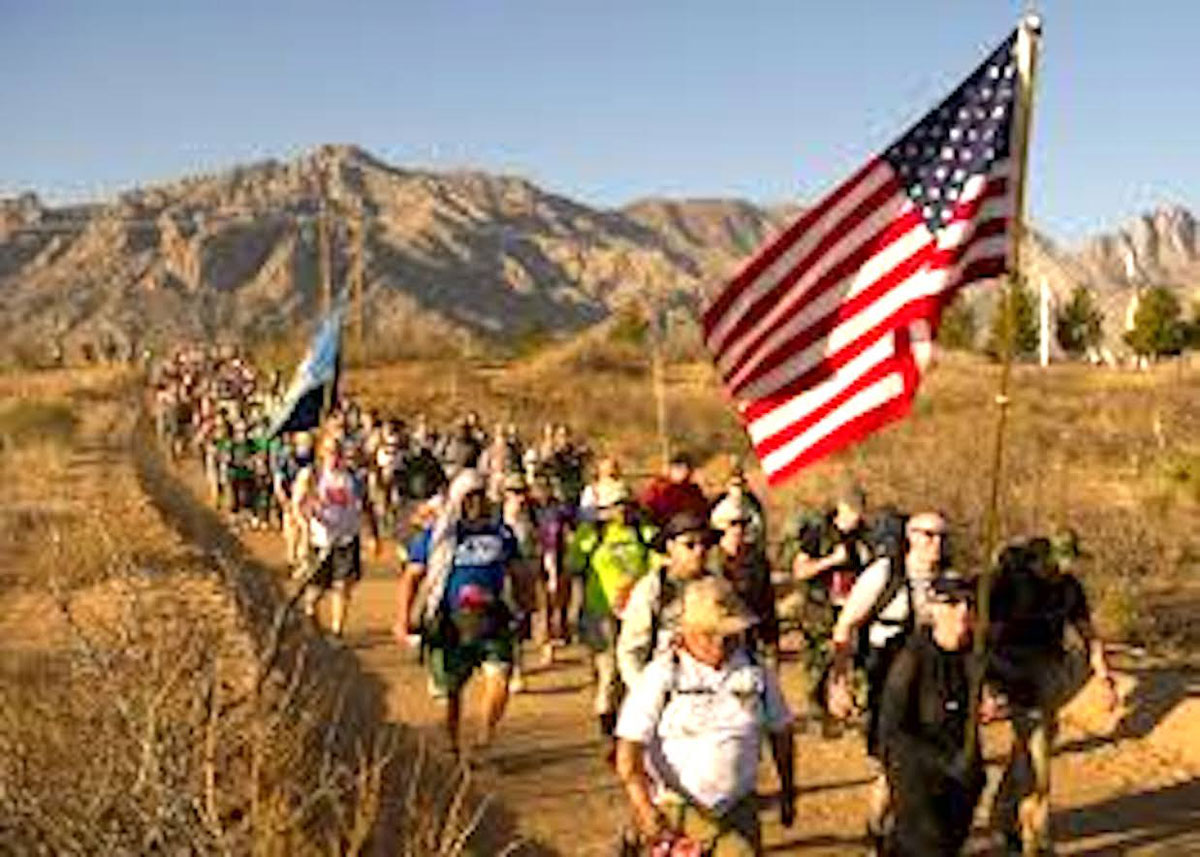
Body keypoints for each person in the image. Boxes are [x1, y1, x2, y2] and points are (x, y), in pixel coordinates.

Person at [615, 576, 796, 856]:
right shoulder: (662, 675)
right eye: (709, 634)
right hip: (675, 813)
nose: (720, 643)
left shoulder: (755, 672)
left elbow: (781, 732)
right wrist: (645, 808)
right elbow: (629, 750)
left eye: (728, 634)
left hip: (738, 810)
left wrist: (787, 789)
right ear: (687, 631)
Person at [826, 511, 951, 852]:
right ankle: (878, 833)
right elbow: (846, 624)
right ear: (910, 535)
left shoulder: (948, 580)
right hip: (887, 682)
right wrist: (840, 679)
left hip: (933, 684)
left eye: (941, 535)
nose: (935, 543)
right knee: (893, 765)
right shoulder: (884, 573)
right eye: (927, 534)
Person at [988, 531, 1117, 857]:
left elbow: (1088, 633)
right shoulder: (1013, 584)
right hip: (1013, 675)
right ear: (1044, 558)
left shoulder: (1069, 587)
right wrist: (988, 687)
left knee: (1028, 751)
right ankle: (1037, 841)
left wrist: (1104, 675)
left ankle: (1003, 819)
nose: (1068, 566)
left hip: (1048, 673)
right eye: (1064, 559)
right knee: (1038, 759)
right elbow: (983, 632)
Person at [879, 572, 987, 857]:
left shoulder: (976, 653)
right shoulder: (913, 658)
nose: (963, 611)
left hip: (961, 769)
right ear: (934, 609)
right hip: (917, 770)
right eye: (952, 603)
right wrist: (942, 763)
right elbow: (892, 732)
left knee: (951, 843)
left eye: (969, 603)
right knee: (927, 844)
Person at [421, 470, 523, 755]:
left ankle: (484, 737)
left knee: (501, 678)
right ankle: (451, 741)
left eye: (480, 496)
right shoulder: (440, 535)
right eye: (469, 497)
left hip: (494, 617)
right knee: (452, 690)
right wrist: (405, 616)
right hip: (453, 620)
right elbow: (415, 573)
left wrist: (525, 608)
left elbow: (518, 571)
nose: (476, 503)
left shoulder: (502, 533)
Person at [565, 480, 657, 761]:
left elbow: (659, 563)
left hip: (637, 613)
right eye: (616, 505)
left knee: (637, 674)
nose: (622, 510)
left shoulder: (643, 533)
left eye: (626, 504)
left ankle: (635, 735)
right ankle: (610, 738)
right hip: (600, 612)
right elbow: (572, 566)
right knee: (608, 675)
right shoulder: (592, 533)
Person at [293, 433, 380, 637]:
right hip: (320, 539)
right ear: (321, 453)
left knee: (343, 586)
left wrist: (372, 535)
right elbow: (297, 505)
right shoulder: (312, 475)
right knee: (315, 590)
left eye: (338, 452)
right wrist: (305, 523)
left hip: (347, 538)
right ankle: (310, 615)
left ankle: (337, 630)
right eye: (330, 451)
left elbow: (366, 505)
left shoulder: (353, 477)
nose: (335, 456)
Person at [617, 511, 716, 691]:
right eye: (690, 545)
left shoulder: (720, 587)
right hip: (667, 692)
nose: (699, 551)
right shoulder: (653, 589)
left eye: (705, 544)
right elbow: (631, 650)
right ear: (670, 547)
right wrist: (645, 694)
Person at [710, 493, 779, 667]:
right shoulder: (708, 561)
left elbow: (766, 603)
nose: (738, 530)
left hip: (749, 642)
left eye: (743, 524)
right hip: (714, 643)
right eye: (733, 524)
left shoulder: (757, 562)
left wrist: (771, 645)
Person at [638, 452, 709, 529]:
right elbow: (647, 508)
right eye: (678, 468)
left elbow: (702, 508)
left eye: (686, 469)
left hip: (691, 526)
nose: (682, 472)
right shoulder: (658, 487)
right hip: (665, 526)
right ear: (670, 469)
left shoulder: (692, 491)